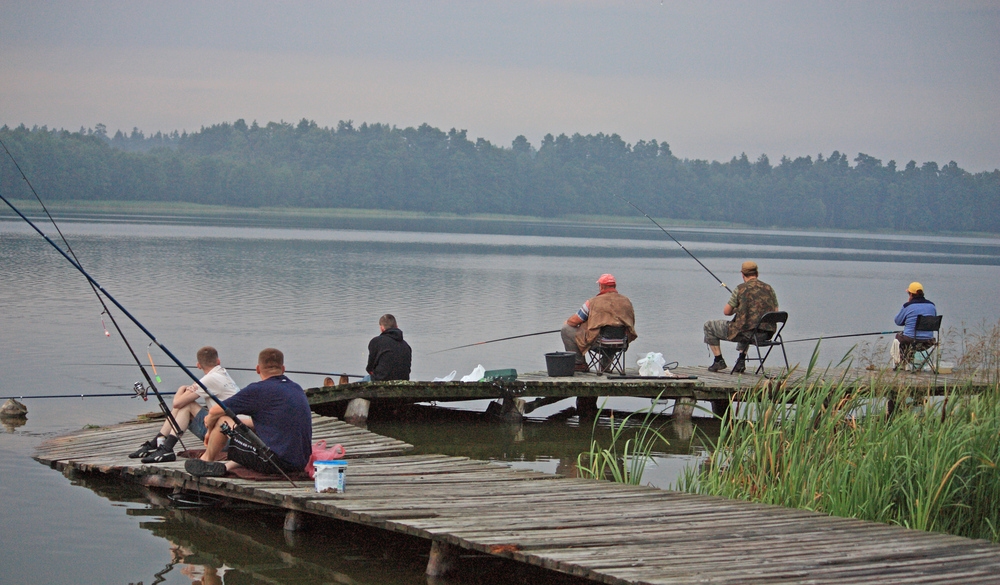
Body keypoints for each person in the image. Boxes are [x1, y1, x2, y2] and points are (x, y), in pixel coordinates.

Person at [184, 348, 312, 477]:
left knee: (222, 420)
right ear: (283, 369)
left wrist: (209, 430)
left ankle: (207, 461)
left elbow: (215, 411)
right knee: (248, 433)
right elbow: (271, 422)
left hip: (274, 463)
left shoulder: (258, 390)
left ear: (258, 369)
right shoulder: (296, 388)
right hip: (299, 462)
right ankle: (225, 467)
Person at [128, 346, 240, 463]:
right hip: (234, 432)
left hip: (225, 438)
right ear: (218, 361)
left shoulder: (208, 380)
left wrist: (181, 388)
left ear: (198, 365)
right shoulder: (223, 374)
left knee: (187, 405)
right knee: (186, 404)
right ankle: (156, 444)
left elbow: (177, 403)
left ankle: (165, 447)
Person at [703, 261, 779, 373]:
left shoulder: (740, 289)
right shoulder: (769, 289)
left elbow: (727, 312)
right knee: (747, 322)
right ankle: (741, 361)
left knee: (709, 326)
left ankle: (719, 361)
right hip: (765, 334)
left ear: (742, 274)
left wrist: (737, 309)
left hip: (747, 334)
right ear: (757, 273)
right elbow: (775, 312)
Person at [561, 274, 637, 372]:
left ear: (601, 286)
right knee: (613, 332)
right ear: (615, 286)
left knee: (566, 329)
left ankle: (579, 364)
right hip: (621, 343)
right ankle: (605, 365)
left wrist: (569, 322)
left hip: (598, 343)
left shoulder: (592, 302)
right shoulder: (628, 302)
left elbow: (573, 322)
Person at [892, 282, 937, 368]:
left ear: (911, 294)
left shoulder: (908, 306)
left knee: (899, 337)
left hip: (912, 341)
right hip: (928, 342)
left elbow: (898, 321)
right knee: (908, 340)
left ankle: (903, 364)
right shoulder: (932, 306)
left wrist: (908, 303)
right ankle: (909, 363)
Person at [365, 314, 412, 381]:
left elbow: (370, 368)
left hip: (380, 383)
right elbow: (408, 370)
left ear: (381, 328)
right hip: (402, 384)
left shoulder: (376, 341)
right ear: (397, 327)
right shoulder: (406, 346)